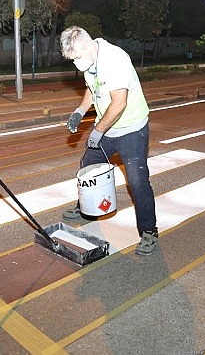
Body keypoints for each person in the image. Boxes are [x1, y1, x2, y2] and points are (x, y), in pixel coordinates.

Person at [59, 26, 158, 256]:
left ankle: (149, 232)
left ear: (86, 44)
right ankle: (85, 207)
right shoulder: (90, 60)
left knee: (138, 182)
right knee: (88, 167)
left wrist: (97, 131)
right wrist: (79, 112)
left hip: (131, 129)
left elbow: (119, 103)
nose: (76, 64)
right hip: (107, 128)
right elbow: (92, 90)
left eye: (77, 57)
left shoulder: (114, 59)